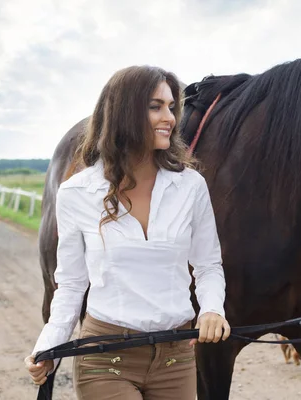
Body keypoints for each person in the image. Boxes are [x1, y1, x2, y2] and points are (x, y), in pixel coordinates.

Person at [24, 65, 230, 399]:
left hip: (175, 359)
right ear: (124, 112)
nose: (170, 118)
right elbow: (72, 285)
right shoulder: (77, 193)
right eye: (155, 106)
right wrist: (48, 345)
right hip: (105, 359)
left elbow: (208, 266)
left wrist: (211, 309)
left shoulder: (191, 186)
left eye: (171, 107)